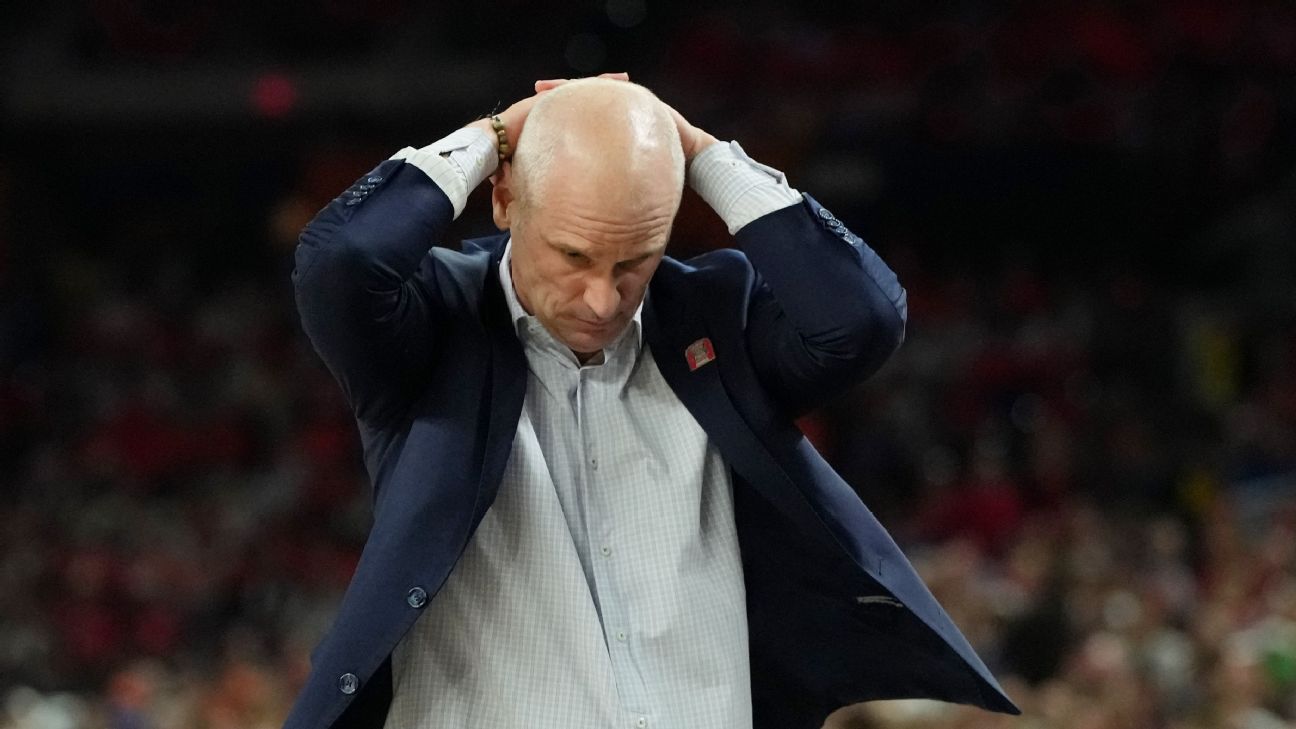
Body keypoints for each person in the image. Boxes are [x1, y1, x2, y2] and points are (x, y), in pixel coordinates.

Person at [286, 74, 1017, 729]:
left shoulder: (714, 318)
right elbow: (340, 263)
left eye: (634, 260)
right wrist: (498, 134)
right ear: (504, 199)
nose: (602, 300)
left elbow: (862, 319)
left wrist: (698, 152)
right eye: (573, 256)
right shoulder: (430, 326)